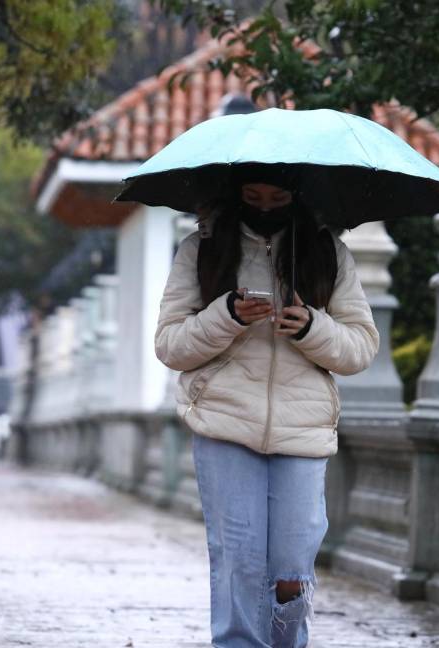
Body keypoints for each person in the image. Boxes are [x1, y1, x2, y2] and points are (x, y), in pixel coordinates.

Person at [155, 164, 379, 648]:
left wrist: (310, 327)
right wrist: (227, 315)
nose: (264, 206)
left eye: (276, 197)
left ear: (294, 196)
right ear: (235, 194)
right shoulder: (202, 251)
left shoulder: (328, 253)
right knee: (239, 557)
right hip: (225, 422)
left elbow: (361, 348)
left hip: (303, 429)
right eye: (253, 195)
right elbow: (171, 345)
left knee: (291, 565)